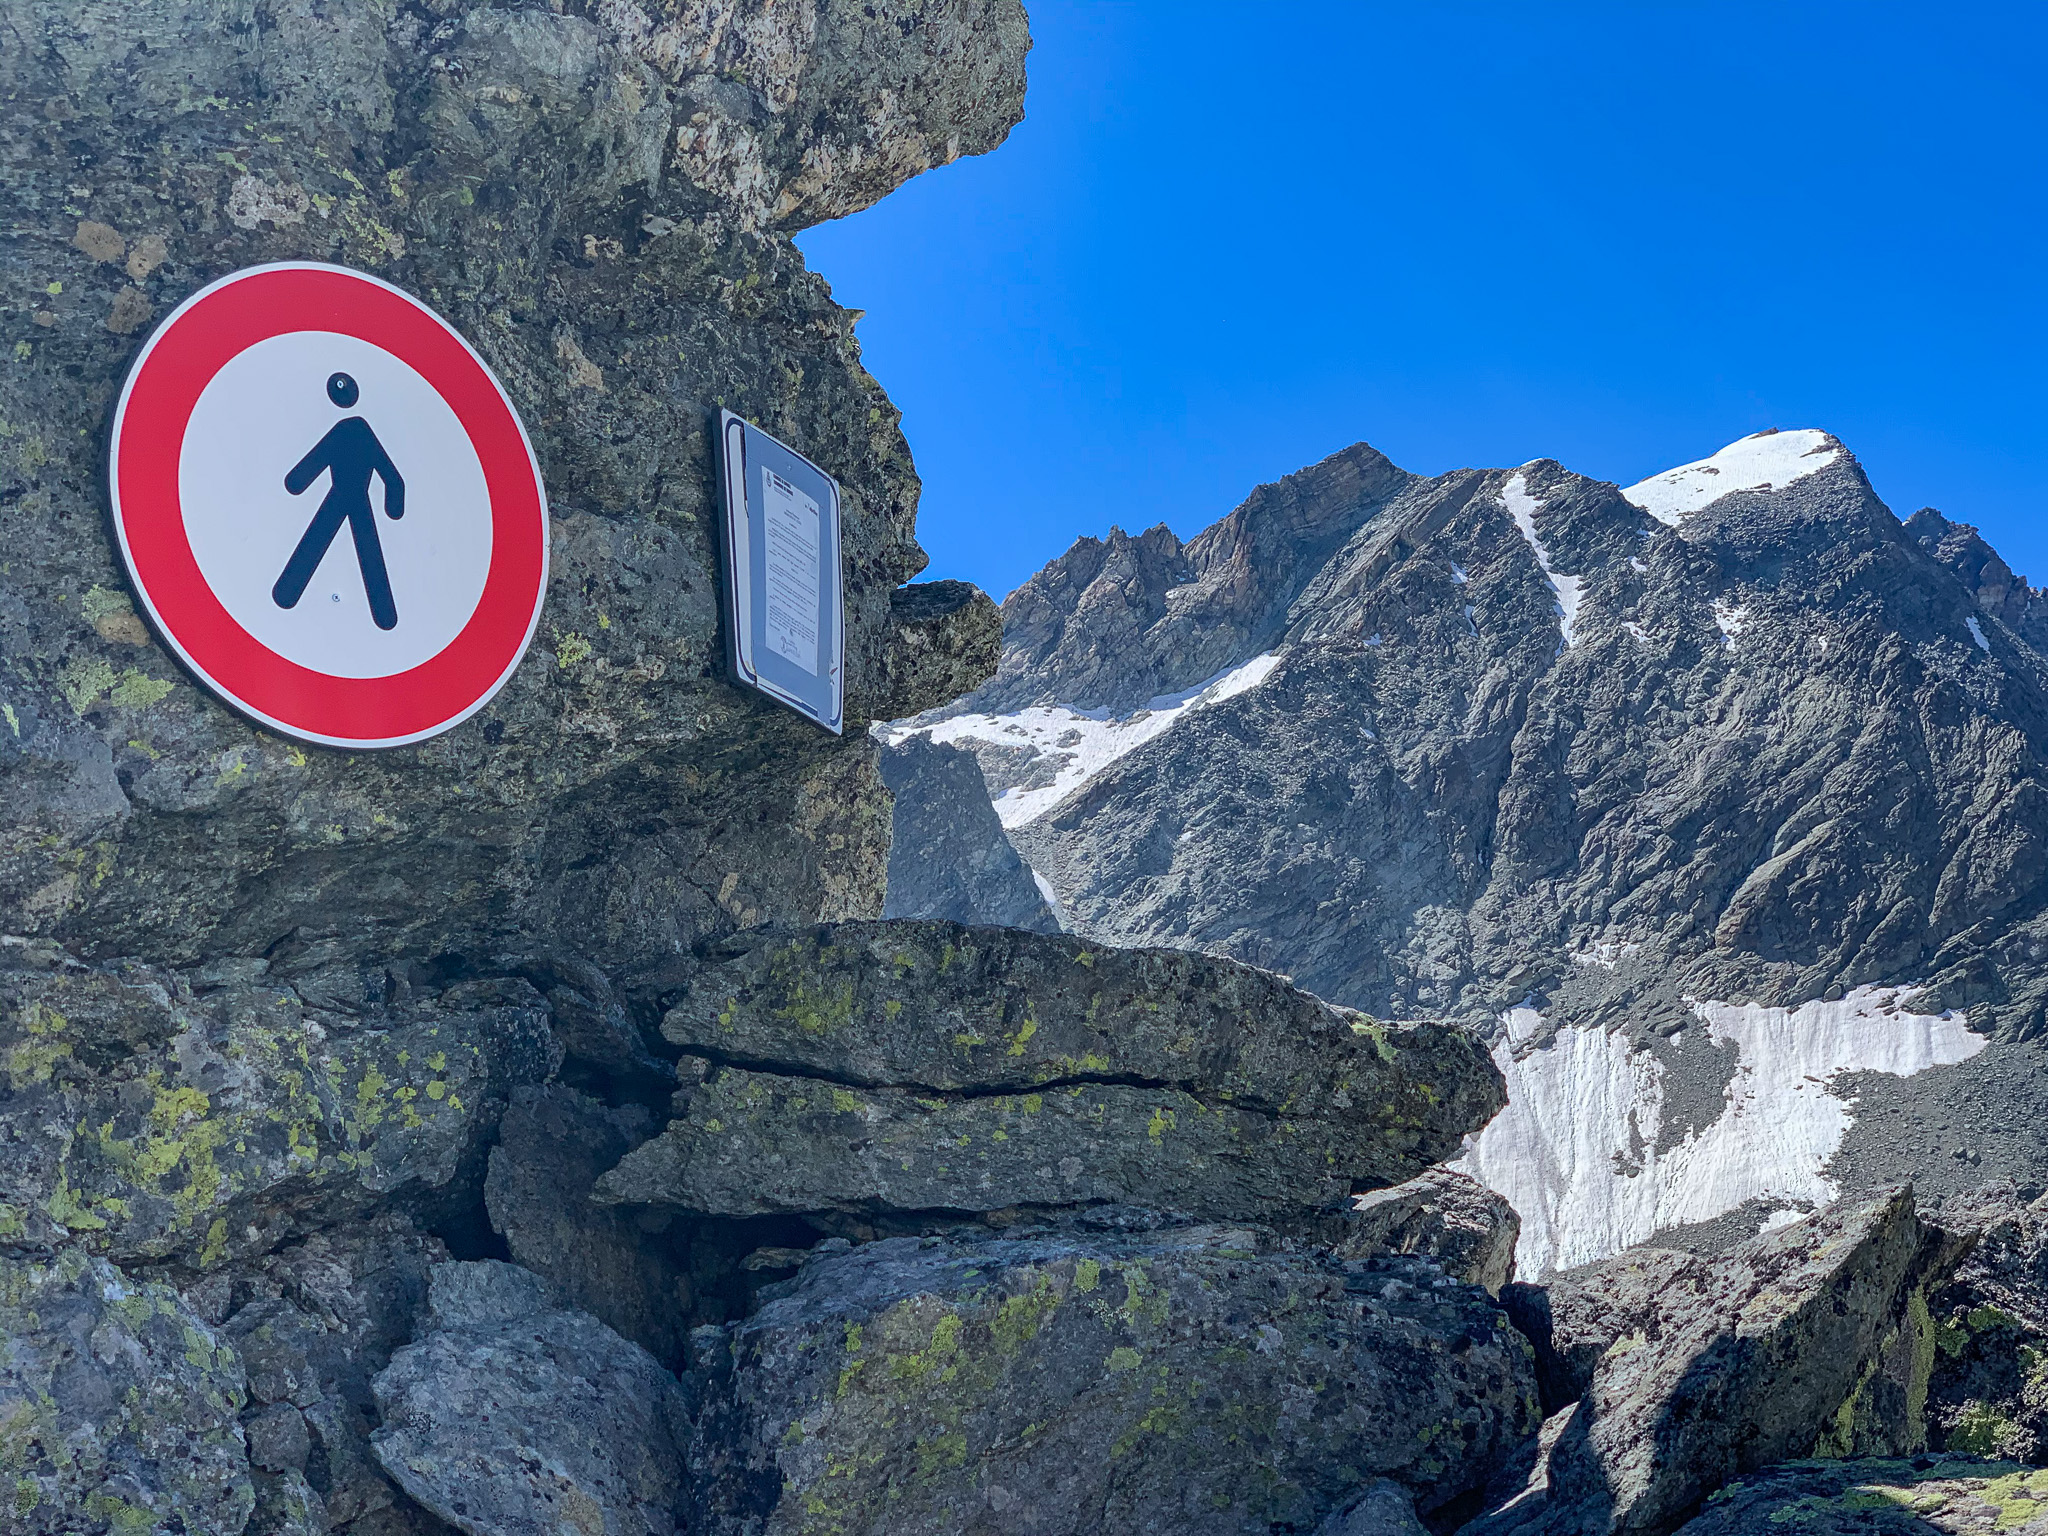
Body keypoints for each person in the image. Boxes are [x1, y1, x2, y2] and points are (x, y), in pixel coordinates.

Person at [275, 371, 407, 631]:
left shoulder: (348, 429)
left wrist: (296, 482)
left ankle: (285, 594)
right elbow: (392, 477)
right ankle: (385, 616)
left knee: (318, 541)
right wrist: (393, 503)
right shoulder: (358, 431)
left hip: (342, 496)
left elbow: (313, 462)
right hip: (353, 497)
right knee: (367, 550)